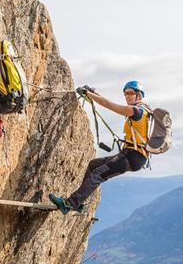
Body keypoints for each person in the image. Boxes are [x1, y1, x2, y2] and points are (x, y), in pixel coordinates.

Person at [49, 81, 150, 214]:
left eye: (130, 93)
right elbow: (107, 102)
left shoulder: (136, 110)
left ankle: (69, 204)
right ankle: (79, 202)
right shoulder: (143, 110)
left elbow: (108, 104)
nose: (127, 96)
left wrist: (88, 94)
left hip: (132, 156)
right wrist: (93, 93)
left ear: (139, 95)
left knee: (98, 174)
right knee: (93, 165)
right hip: (132, 155)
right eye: (125, 93)